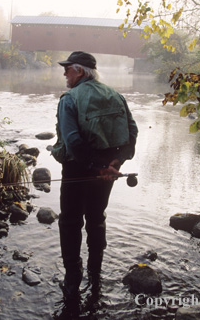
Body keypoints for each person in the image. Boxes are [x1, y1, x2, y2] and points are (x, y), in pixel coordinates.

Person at [51, 51, 138, 302]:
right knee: (96, 216)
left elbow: (73, 142)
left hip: (78, 169)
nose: (64, 73)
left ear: (79, 71)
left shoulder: (69, 99)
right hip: (106, 172)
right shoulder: (116, 95)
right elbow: (132, 133)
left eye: (67, 69)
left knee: (70, 221)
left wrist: (97, 166)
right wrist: (115, 162)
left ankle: (72, 279)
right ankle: (95, 272)